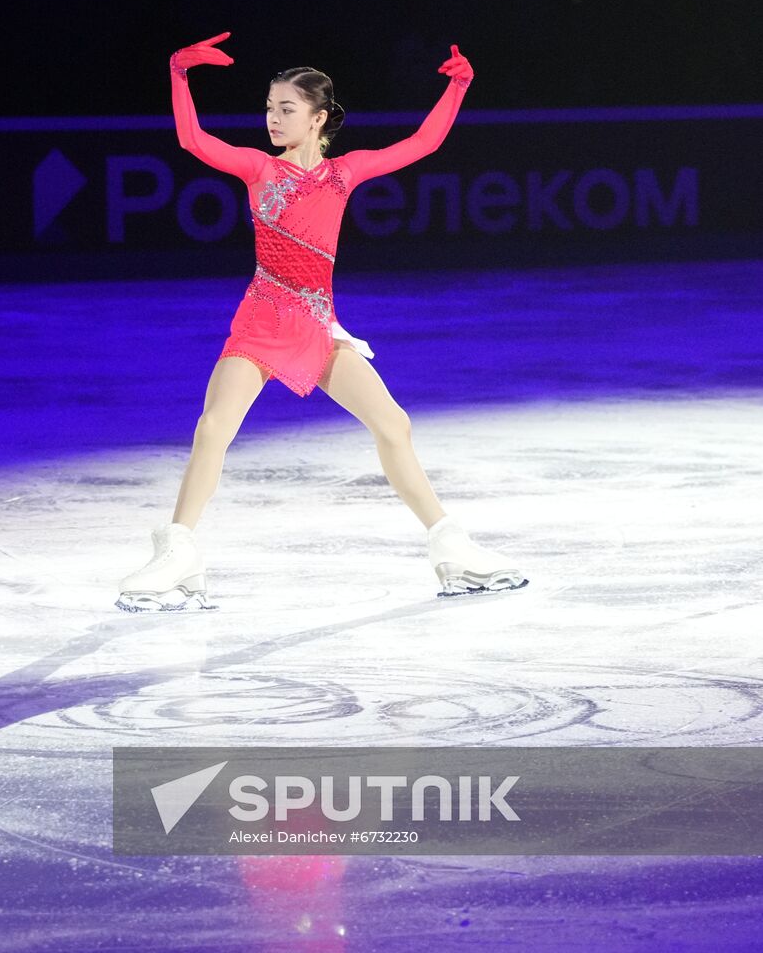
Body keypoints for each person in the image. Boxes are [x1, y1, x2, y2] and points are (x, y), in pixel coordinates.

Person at [116, 33, 527, 612]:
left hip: (317, 325)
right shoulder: (259, 169)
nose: (272, 119)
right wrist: (178, 75)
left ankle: (450, 546)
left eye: (286, 109)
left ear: (319, 118)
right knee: (214, 427)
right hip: (261, 320)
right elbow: (191, 137)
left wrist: (459, 85)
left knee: (394, 424)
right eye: (268, 108)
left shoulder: (344, 174)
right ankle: (180, 552)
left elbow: (423, 143)